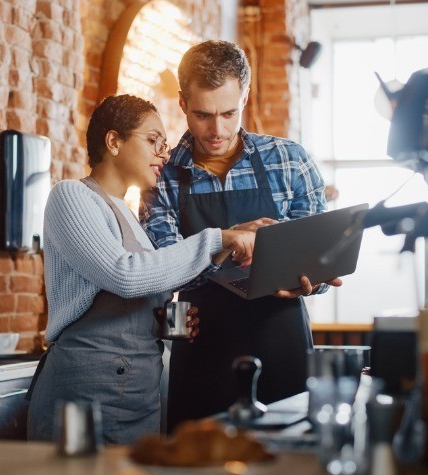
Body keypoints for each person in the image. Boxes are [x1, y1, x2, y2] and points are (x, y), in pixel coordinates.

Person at [26, 94, 256, 444]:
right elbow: (125, 275)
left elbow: (130, 293)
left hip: (137, 396)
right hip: (86, 396)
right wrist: (216, 239)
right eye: (153, 141)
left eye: (164, 145)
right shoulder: (70, 196)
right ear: (114, 141)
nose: (163, 153)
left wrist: (163, 322)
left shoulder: (128, 215)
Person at [141, 40, 342, 431]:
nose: (217, 130)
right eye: (202, 115)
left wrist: (312, 281)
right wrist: (227, 240)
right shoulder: (160, 175)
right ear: (182, 104)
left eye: (229, 113)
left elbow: (319, 258)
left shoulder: (290, 160)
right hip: (203, 349)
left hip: (282, 339)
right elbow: (162, 268)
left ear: (245, 97)